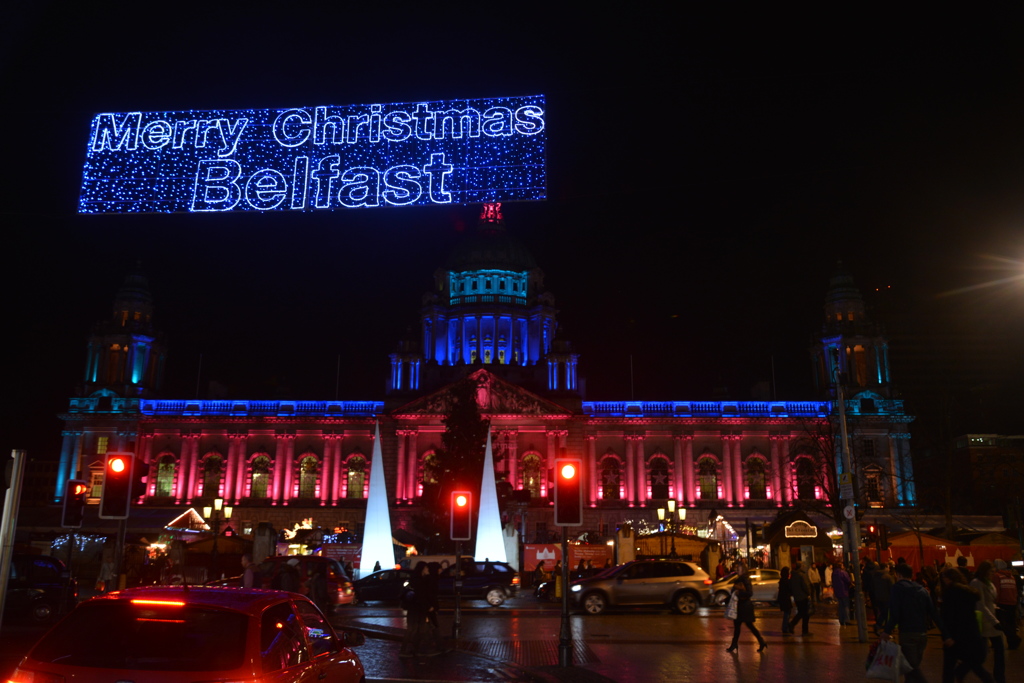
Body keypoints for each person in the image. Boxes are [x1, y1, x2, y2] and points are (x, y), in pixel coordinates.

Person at [882, 562, 937, 683]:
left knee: (912, 669)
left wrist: (887, 631)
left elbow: (895, 613)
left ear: (898, 574)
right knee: (911, 668)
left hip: (908, 634)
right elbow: (933, 613)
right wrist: (946, 634)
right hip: (922, 635)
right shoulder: (922, 590)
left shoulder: (897, 589)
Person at [939, 567, 994, 683]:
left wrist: (946, 635)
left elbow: (946, 616)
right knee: (974, 663)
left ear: (947, 578)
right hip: (970, 632)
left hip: (954, 633)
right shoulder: (969, 592)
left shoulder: (949, 592)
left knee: (948, 668)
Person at [970, 561, 1005, 683]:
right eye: (991, 571)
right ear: (984, 571)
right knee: (981, 654)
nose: (993, 574)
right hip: (985, 622)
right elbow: (980, 604)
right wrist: (994, 620)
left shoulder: (989, 583)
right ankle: (965, 669)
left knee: (999, 651)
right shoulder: (977, 583)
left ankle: (999, 677)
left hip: (992, 621)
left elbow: (990, 602)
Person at [726, 561, 768, 653]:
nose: (737, 570)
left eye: (739, 568)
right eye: (736, 568)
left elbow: (749, 593)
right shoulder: (739, 579)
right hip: (740, 606)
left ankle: (761, 641)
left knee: (748, 626)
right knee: (738, 627)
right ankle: (735, 644)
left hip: (745, 607)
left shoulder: (744, 579)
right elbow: (734, 592)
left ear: (743, 570)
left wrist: (738, 592)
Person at [991, 559, 1021, 650]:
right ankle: (1012, 643)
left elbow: (997, 590)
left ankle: (1014, 639)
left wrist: (995, 602)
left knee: (1003, 624)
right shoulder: (1011, 576)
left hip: (1003, 603)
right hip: (1012, 602)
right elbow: (1014, 590)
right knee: (1011, 624)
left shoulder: (997, 576)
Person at [788, 560, 812, 636]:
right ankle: (802, 629)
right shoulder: (801, 575)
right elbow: (805, 586)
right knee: (804, 614)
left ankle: (793, 625)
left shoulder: (793, 575)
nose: (804, 567)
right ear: (800, 567)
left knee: (802, 612)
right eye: (803, 566)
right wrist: (809, 593)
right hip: (803, 596)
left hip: (797, 597)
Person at [832, 562, 853, 626]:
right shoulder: (843, 572)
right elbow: (848, 580)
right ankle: (847, 620)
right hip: (844, 591)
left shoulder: (834, 573)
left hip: (837, 591)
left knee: (840, 606)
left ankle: (841, 619)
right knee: (846, 606)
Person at [777, 566, 794, 634]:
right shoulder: (786, 581)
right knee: (787, 613)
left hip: (783, 598)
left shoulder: (782, 580)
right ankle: (785, 627)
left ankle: (786, 627)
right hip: (785, 599)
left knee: (787, 613)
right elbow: (789, 590)